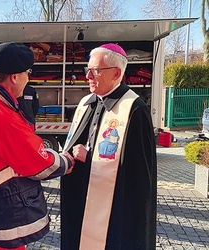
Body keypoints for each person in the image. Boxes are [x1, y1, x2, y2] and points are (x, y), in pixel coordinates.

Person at [0, 42, 75, 250]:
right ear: (14, 77)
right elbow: (39, 163)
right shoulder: (1, 117)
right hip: (5, 206)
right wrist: (67, 160)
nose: (28, 79)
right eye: (27, 73)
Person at [60, 43, 157, 249]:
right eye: (88, 70)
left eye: (95, 71)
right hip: (82, 198)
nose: (88, 76)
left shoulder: (134, 109)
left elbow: (139, 174)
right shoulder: (87, 102)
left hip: (113, 210)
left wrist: (91, 158)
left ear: (116, 73)